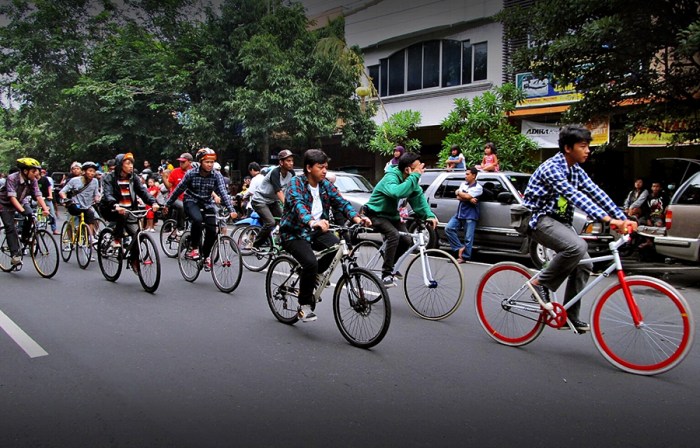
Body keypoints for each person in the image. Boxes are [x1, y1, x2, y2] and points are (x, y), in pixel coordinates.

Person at [523, 125, 637, 332]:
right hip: (539, 219)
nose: (588, 151)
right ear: (568, 148)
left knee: (584, 264)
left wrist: (623, 218)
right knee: (576, 246)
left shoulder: (575, 170)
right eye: (583, 146)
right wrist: (608, 220)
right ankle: (540, 284)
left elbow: (596, 193)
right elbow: (576, 197)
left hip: (560, 221)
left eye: (588, 146)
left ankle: (569, 315)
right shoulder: (552, 168)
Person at [280, 149, 371, 322]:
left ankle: (313, 275)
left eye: (326, 167)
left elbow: (341, 202)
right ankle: (304, 306)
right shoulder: (296, 184)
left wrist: (357, 218)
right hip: (294, 233)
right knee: (310, 263)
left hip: (317, 230)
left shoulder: (325, 184)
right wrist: (312, 221)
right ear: (308, 168)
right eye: (320, 167)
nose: (324, 171)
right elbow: (298, 205)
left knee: (335, 246)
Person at [364, 152, 438, 287]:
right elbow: (397, 192)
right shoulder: (390, 177)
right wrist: (415, 176)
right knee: (394, 235)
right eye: (417, 169)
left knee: (407, 240)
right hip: (375, 214)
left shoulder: (411, 181)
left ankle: (392, 266)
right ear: (407, 170)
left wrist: (429, 215)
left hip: (392, 216)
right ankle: (386, 274)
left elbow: (419, 199)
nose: (420, 171)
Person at [164, 148, 237, 265]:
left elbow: (223, 192)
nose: (209, 165)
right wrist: (168, 203)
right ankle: (193, 247)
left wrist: (231, 210)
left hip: (207, 202)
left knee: (212, 230)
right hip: (191, 201)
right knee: (197, 220)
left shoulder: (217, 175)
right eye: (207, 162)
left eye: (212, 162)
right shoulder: (191, 173)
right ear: (200, 162)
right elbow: (178, 189)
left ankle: (206, 256)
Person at [99, 153, 160, 272]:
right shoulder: (109, 177)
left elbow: (143, 191)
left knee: (137, 236)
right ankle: (116, 239)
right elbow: (108, 194)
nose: (131, 166)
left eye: (132, 163)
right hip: (111, 208)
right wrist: (115, 205)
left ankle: (134, 260)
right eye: (127, 163)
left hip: (130, 209)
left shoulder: (134, 177)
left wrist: (153, 202)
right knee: (121, 214)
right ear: (119, 165)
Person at [0, 158, 51, 266]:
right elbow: (12, 197)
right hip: (5, 203)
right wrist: (22, 211)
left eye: (37, 171)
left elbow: (38, 195)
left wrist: (45, 208)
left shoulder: (33, 180)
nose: (36, 173)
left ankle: (24, 238)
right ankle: (15, 256)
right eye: (34, 171)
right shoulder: (12, 178)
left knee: (30, 216)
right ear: (25, 171)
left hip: (22, 200)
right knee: (10, 227)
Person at [250, 150, 295, 250]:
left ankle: (282, 241)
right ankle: (255, 244)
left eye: (292, 160)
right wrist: (288, 205)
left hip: (272, 201)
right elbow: (278, 191)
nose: (291, 163)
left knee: (285, 220)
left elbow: (294, 189)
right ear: (281, 162)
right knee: (270, 222)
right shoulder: (275, 172)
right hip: (260, 200)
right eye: (288, 160)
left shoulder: (291, 173)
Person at [445, 166, 482, 263]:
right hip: (460, 213)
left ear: (474, 176)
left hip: (471, 215)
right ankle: (459, 248)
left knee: (468, 238)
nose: (465, 176)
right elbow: (459, 197)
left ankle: (464, 257)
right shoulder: (463, 184)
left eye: (467, 174)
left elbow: (465, 195)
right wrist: (468, 198)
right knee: (449, 228)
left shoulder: (478, 188)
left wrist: (464, 195)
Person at [59, 161, 102, 242]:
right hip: (76, 205)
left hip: (88, 206)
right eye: (90, 171)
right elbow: (62, 192)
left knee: (96, 218)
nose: (92, 173)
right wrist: (66, 200)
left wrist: (97, 198)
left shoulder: (95, 181)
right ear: (84, 172)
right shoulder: (74, 180)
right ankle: (70, 241)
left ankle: (91, 235)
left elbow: (96, 193)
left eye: (93, 171)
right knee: (70, 223)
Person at [163, 152, 194, 234]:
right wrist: (164, 177)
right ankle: (181, 228)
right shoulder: (175, 171)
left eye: (183, 162)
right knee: (182, 206)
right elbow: (169, 186)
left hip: (190, 198)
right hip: (175, 198)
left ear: (190, 162)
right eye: (180, 161)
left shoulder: (194, 172)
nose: (181, 163)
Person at [38, 168, 59, 235]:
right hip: (36, 199)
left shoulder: (44, 179)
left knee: (52, 214)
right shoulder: (32, 180)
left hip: (46, 198)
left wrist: (50, 195)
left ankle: (54, 229)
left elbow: (49, 187)